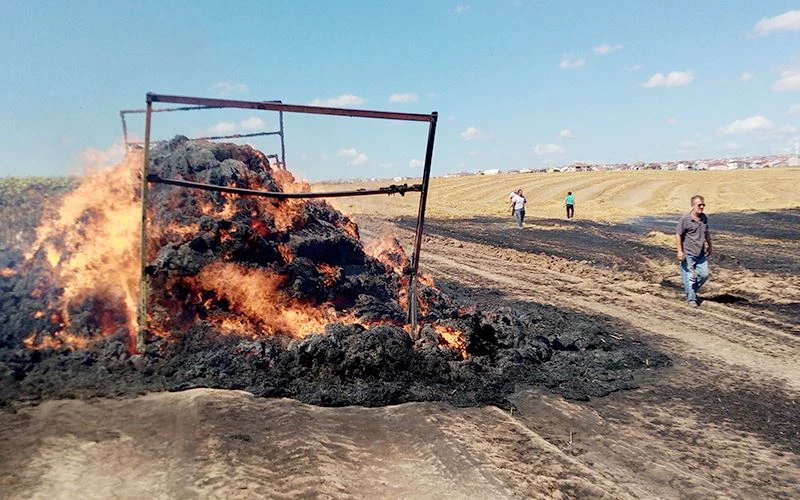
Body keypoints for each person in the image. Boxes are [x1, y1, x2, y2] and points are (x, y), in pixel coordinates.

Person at [675, 195, 712, 307]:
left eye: (703, 205)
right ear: (693, 205)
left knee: (704, 274)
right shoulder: (685, 219)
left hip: (700, 253)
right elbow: (678, 235)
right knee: (690, 277)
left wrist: (710, 245)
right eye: (699, 205)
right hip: (688, 253)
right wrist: (680, 252)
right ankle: (691, 299)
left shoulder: (704, 218)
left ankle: (690, 290)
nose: (701, 207)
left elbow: (706, 233)